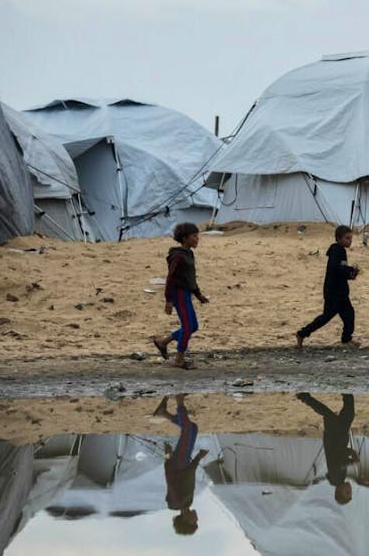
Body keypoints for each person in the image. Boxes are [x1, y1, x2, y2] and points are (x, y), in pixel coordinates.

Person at [152, 222, 209, 369]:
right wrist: (169, 300)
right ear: (184, 239)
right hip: (178, 294)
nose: (197, 239)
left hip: (187, 293)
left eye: (197, 236)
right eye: (194, 236)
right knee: (188, 326)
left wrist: (198, 294)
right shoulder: (177, 256)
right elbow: (171, 278)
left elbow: (190, 277)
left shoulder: (189, 254)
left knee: (193, 326)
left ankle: (163, 342)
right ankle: (179, 359)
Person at [296, 225, 360, 348]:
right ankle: (302, 333)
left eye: (351, 238)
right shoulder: (336, 250)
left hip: (341, 292)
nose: (350, 241)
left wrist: (351, 274)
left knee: (349, 315)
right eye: (347, 238)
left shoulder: (341, 251)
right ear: (338, 238)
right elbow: (335, 268)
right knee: (325, 318)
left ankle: (346, 339)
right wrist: (350, 269)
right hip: (334, 293)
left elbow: (340, 272)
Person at [155, 394, 208, 535]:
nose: (197, 519)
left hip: (179, 463)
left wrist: (198, 457)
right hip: (180, 464)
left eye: (194, 522)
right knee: (193, 429)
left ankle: (179, 401)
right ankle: (164, 413)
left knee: (188, 430)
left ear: (185, 520)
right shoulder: (186, 502)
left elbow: (177, 477)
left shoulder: (178, 502)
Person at [296, 392, 358, 504]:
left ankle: (304, 397)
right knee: (348, 413)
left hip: (334, 436)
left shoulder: (335, 479)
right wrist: (351, 454)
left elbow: (337, 464)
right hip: (340, 435)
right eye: (350, 492)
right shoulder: (341, 478)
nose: (350, 490)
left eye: (347, 492)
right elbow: (340, 455)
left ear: (339, 491)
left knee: (328, 414)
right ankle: (346, 392)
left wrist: (351, 461)